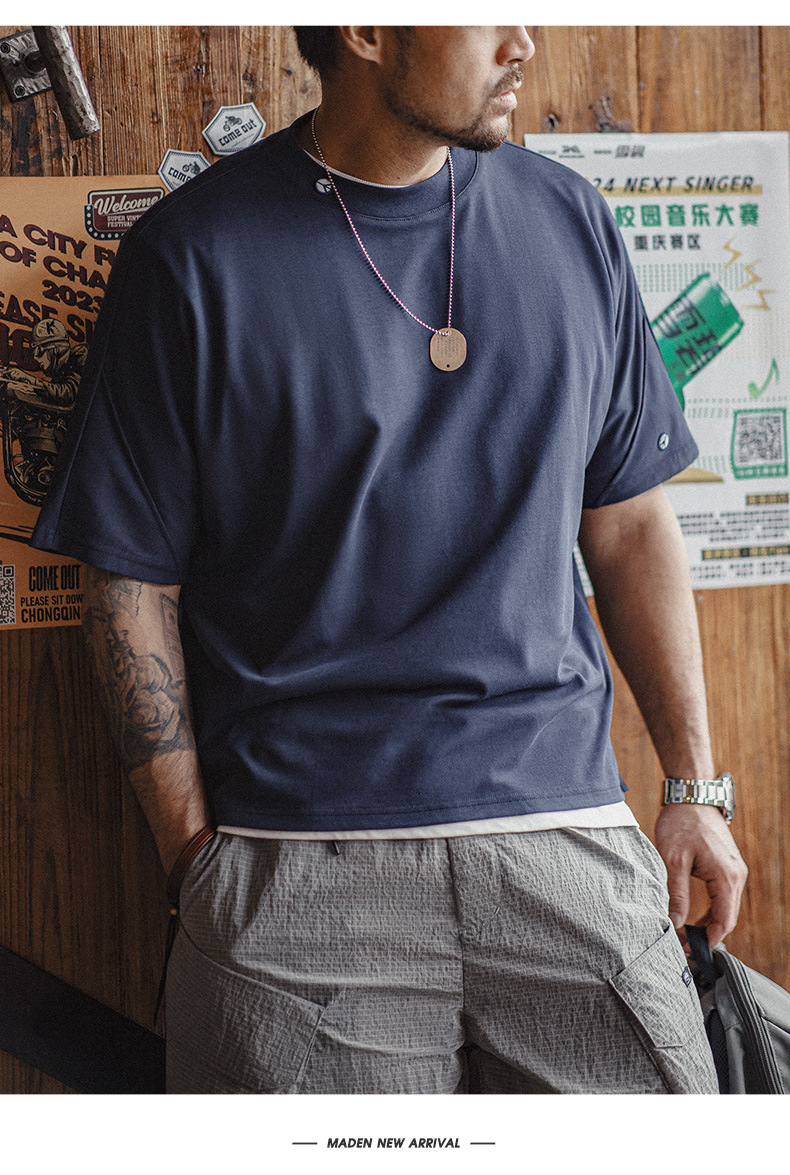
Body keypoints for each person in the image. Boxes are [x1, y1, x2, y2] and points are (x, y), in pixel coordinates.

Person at [31, 26, 748, 1095]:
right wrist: (196, 855)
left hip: (569, 840)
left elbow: (630, 521)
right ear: (367, 31)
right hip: (297, 861)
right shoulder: (192, 254)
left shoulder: (570, 221)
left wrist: (694, 786)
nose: (522, 40)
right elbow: (130, 576)